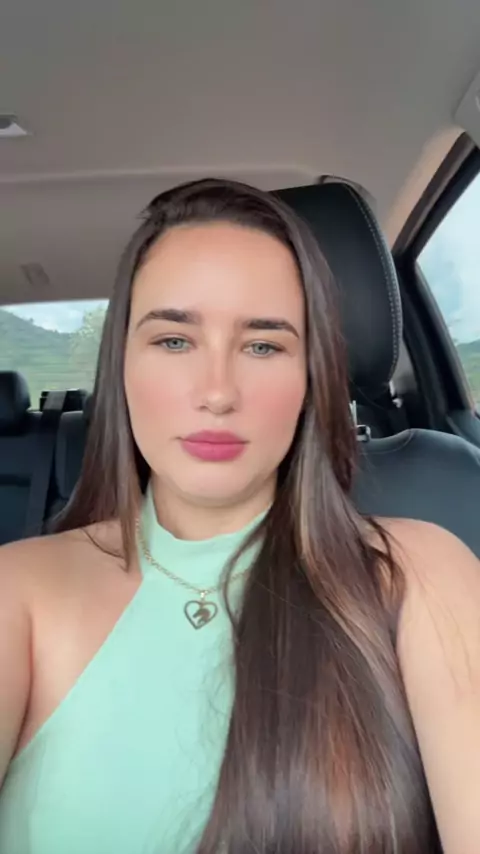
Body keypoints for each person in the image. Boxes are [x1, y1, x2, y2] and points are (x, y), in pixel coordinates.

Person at [0, 178, 478, 854]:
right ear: (123, 366)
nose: (218, 393)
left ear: (311, 376)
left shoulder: (417, 575)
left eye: (263, 346)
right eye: (174, 341)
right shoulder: (19, 589)